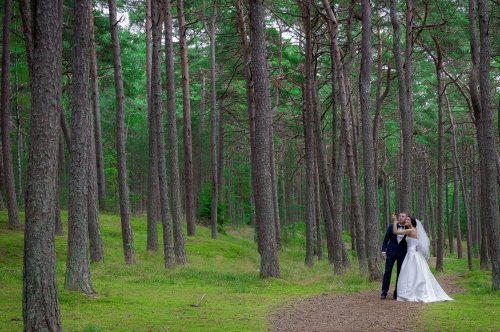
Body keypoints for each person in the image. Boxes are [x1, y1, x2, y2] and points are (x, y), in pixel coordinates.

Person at [392, 216, 453, 302]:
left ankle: (409, 293)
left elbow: (395, 232)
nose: (406, 220)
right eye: (406, 219)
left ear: (412, 222)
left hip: (412, 255)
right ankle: (411, 291)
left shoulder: (411, 230)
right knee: (414, 273)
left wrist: (395, 222)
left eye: (408, 219)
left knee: (410, 273)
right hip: (414, 253)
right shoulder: (415, 230)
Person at [380, 212, 408, 299]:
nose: (400, 217)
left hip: (402, 253)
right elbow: (386, 239)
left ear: (406, 218)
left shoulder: (408, 228)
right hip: (390, 253)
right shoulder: (392, 226)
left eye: (403, 216)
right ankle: (384, 292)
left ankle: (397, 293)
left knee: (400, 273)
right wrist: (383, 251)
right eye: (399, 216)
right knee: (387, 272)